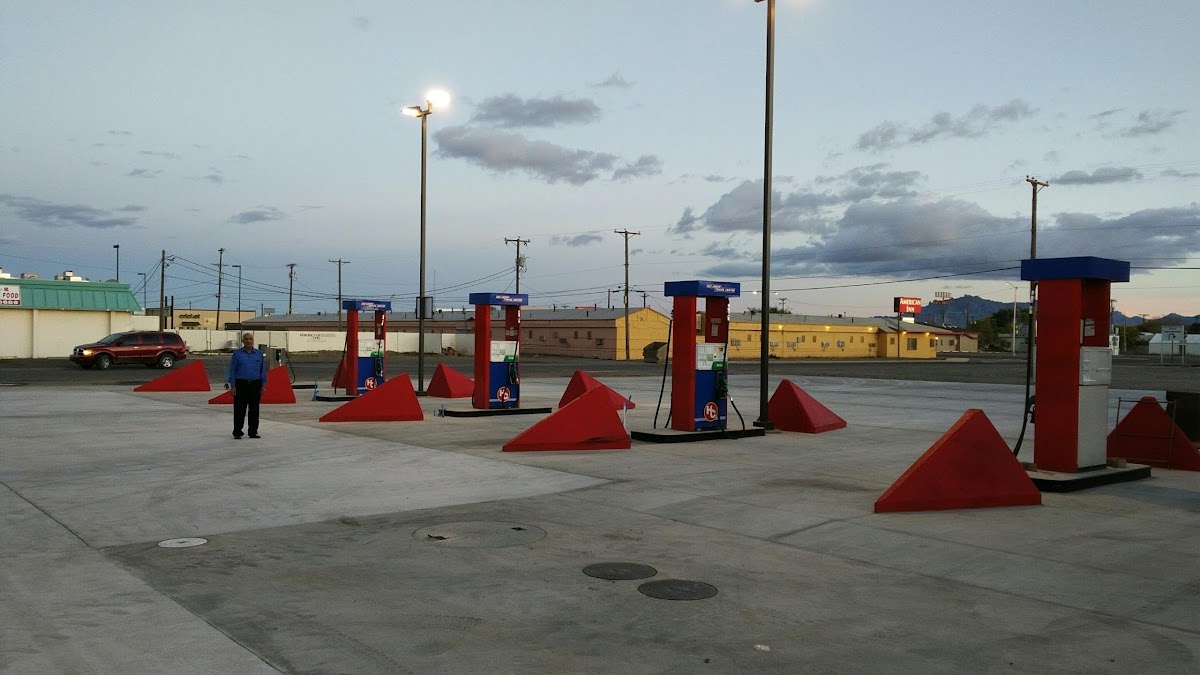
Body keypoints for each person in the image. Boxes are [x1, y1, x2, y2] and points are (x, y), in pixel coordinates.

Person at [226, 332, 267, 439]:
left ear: (253, 340)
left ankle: (253, 431)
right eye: (246, 339)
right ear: (243, 341)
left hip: (255, 384)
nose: (248, 341)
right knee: (239, 409)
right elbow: (233, 370)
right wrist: (233, 385)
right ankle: (237, 431)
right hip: (241, 384)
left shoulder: (259, 354)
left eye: (250, 339)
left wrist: (263, 385)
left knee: (254, 409)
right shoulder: (237, 354)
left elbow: (262, 370)